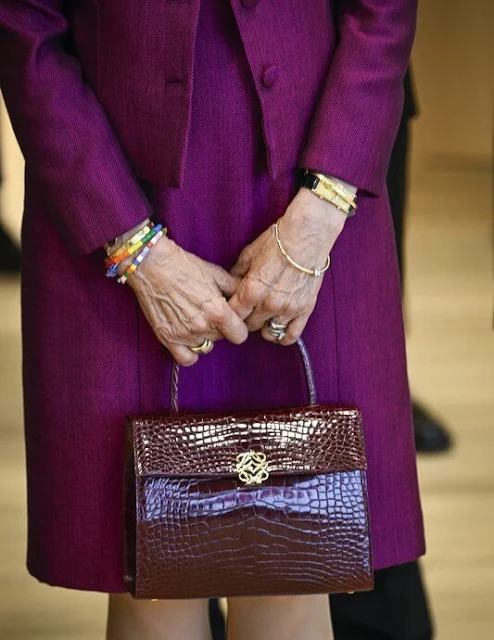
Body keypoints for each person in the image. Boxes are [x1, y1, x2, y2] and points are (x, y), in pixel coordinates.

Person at [0, 1, 425, 639]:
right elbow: (23, 26)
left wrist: (319, 216)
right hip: (116, 186)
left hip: (310, 195)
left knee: (295, 565)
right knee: (151, 581)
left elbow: (383, 11)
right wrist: (136, 249)